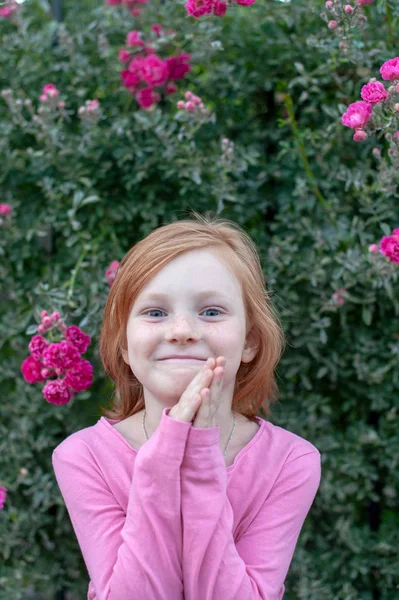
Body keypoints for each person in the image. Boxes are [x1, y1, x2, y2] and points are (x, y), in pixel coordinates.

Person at [52, 212, 321, 600]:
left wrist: (198, 457)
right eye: (155, 312)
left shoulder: (290, 462)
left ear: (250, 341)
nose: (181, 332)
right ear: (125, 345)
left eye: (211, 312)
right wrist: (164, 459)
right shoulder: (83, 457)